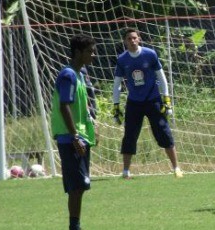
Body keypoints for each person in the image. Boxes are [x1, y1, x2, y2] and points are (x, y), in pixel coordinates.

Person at [112, 28, 183, 178]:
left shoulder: (150, 54)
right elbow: (117, 83)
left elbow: (161, 77)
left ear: (139, 39)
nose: (132, 41)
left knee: (163, 132)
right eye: (129, 39)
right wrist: (116, 105)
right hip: (134, 102)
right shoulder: (122, 59)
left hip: (153, 100)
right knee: (130, 135)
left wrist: (167, 99)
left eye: (134, 38)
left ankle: (176, 168)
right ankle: (126, 172)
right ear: (124, 42)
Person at [50, 34, 97, 230]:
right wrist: (75, 136)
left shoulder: (80, 74)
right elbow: (64, 106)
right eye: (90, 51)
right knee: (76, 186)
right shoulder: (68, 75)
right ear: (78, 52)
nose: (93, 55)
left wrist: (91, 130)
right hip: (70, 139)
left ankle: (75, 225)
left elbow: (82, 108)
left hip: (80, 136)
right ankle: (74, 226)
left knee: (80, 186)